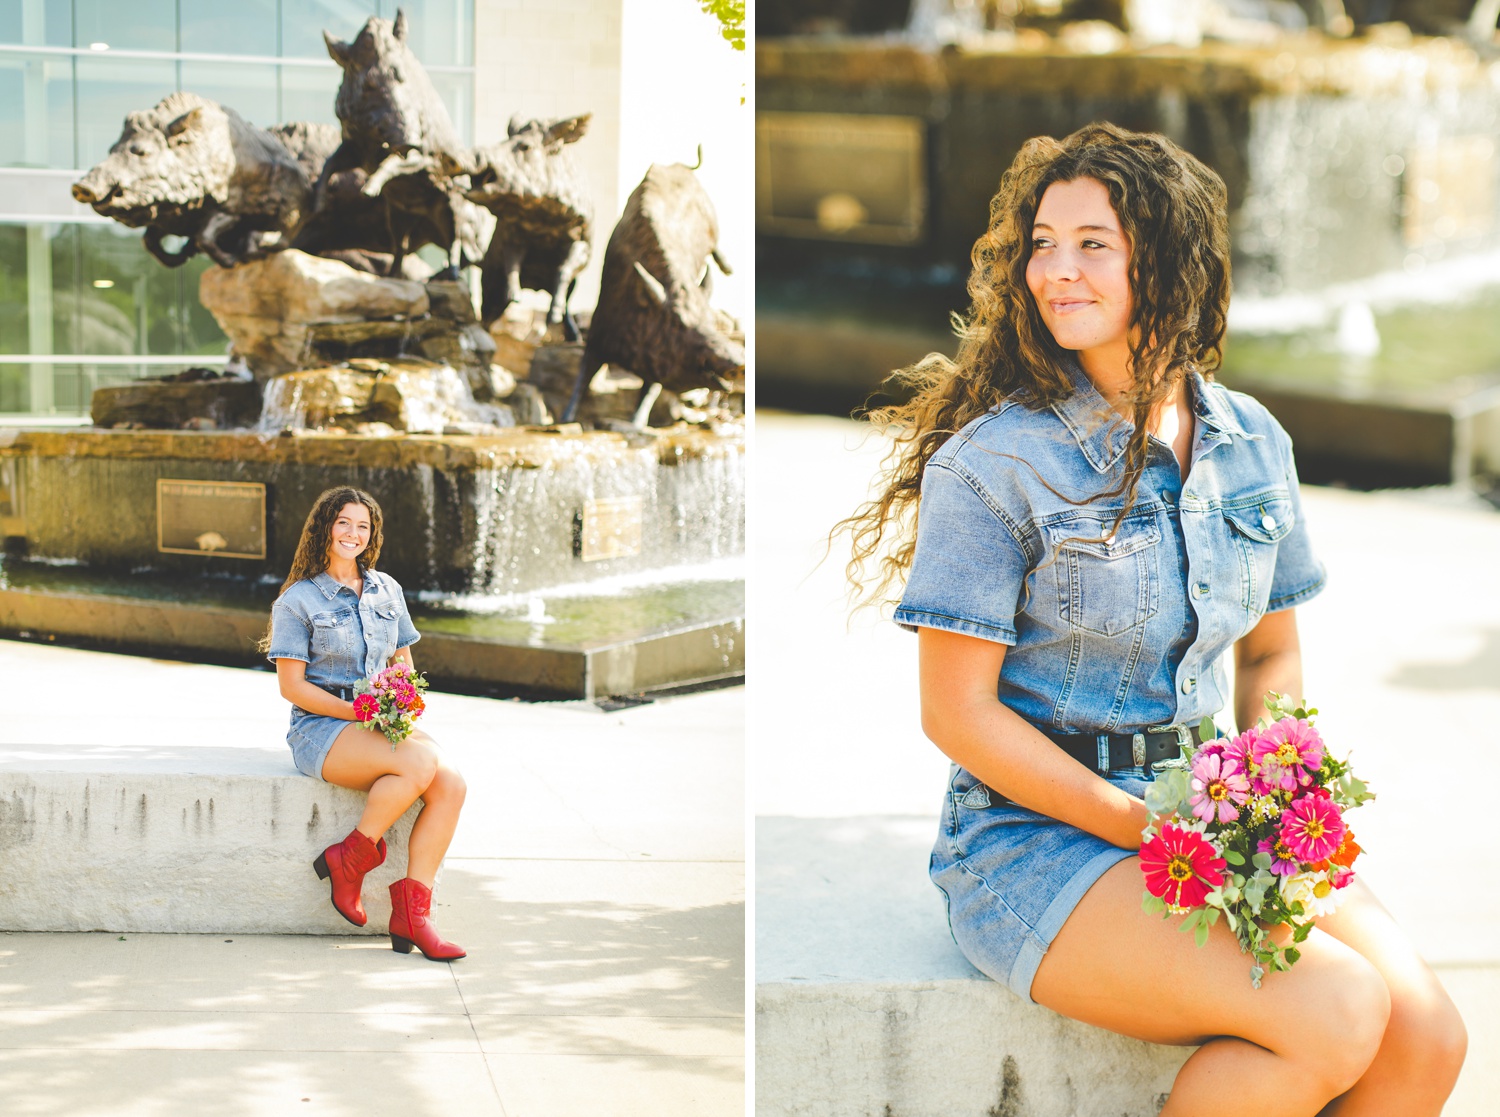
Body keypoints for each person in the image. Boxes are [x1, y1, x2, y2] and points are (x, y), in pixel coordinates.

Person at [841, 123, 1465, 1114]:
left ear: (1164, 260)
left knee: (1429, 1033)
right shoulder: (995, 465)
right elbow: (957, 715)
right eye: (1042, 242)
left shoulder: (1252, 440)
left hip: (1214, 817)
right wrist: (1142, 826)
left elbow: (1270, 655)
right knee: (1337, 1006)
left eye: (1094, 243)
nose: (1056, 270)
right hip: (1032, 841)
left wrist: (1282, 796)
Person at [263, 486, 467, 961]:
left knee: (452, 784)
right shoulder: (298, 601)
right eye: (343, 523)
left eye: (363, 526)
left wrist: (402, 702)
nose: (353, 534)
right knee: (419, 762)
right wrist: (361, 712)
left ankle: (413, 914)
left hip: (378, 724)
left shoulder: (386, 589)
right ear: (325, 529)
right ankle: (350, 859)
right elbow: (292, 687)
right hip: (321, 729)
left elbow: (402, 665)